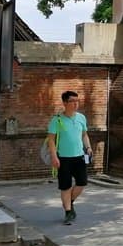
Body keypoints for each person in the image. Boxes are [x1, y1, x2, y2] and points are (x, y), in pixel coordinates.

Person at [47, 91, 93, 225]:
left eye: (77, 101)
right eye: (72, 101)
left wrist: (88, 148)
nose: (75, 103)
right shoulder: (57, 120)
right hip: (63, 158)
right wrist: (54, 157)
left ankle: (69, 201)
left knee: (82, 182)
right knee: (65, 186)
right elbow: (51, 140)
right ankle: (68, 212)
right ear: (65, 103)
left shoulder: (81, 118)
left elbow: (84, 135)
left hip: (80, 157)